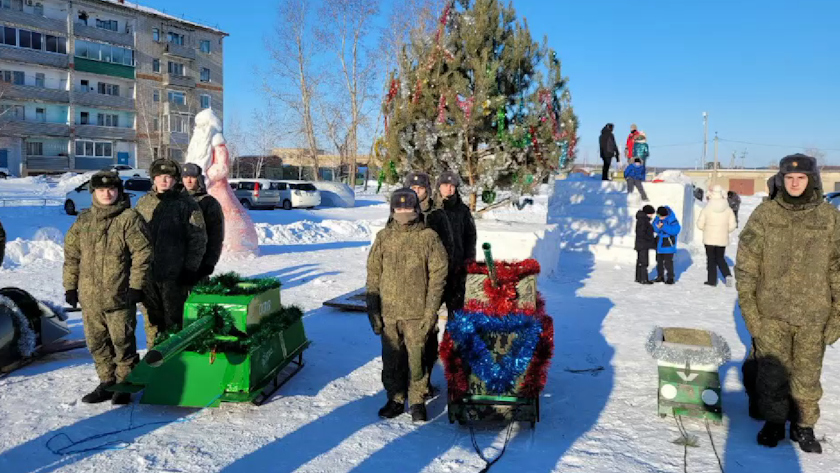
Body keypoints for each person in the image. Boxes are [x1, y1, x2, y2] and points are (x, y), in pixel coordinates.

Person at [735, 153, 840, 453]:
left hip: (814, 315)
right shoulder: (766, 215)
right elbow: (746, 267)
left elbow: (838, 269)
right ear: (781, 180)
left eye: (801, 178)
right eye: (789, 178)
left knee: (807, 374)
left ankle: (803, 426)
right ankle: (774, 422)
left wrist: (837, 317)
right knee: (772, 375)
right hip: (771, 314)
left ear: (812, 180)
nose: (795, 183)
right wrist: (752, 315)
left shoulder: (829, 217)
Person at [63, 171, 152, 404]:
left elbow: (143, 254)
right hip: (90, 298)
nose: (107, 194)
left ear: (119, 191)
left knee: (122, 342)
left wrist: (136, 286)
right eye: (101, 190)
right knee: (97, 343)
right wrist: (70, 287)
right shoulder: (84, 220)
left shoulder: (129, 218)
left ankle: (125, 384)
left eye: (111, 189)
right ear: (94, 192)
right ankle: (106, 382)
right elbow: (72, 256)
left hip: (120, 296)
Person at [366, 188, 448, 422]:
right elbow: (373, 274)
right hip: (389, 312)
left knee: (417, 358)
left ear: (416, 209)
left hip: (417, 313)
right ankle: (395, 398)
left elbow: (438, 277)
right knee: (392, 359)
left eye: (408, 207)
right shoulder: (384, 237)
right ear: (392, 210)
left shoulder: (428, 237)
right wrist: (373, 309)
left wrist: (430, 312)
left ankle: (418, 400)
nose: (404, 212)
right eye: (399, 208)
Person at [135, 159, 207, 349]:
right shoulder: (143, 203)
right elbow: (133, 238)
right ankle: (154, 361)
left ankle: (175, 362)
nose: (164, 181)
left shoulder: (187, 204)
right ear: (154, 179)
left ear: (176, 180)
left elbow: (198, 239)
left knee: (174, 321)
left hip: (174, 276)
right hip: (148, 275)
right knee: (151, 322)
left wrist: (190, 269)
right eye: (159, 177)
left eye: (168, 177)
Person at [404, 171, 454, 398]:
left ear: (427, 190)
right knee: (405, 336)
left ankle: (424, 382)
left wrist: (440, 282)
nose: (416, 192)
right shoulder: (399, 210)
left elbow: (447, 250)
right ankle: (409, 382)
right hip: (405, 285)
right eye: (412, 188)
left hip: (429, 284)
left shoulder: (436, 215)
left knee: (428, 333)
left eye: (420, 189)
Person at [435, 171, 476, 319]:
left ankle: (452, 341)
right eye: (445, 185)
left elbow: (470, 237)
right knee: (429, 314)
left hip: (456, 269)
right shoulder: (432, 209)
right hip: (434, 271)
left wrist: (468, 262)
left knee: (457, 314)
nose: (449, 189)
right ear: (439, 186)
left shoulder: (462, 210)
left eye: (452, 186)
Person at [182, 163, 225, 280]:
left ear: (199, 179)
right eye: (185, 177)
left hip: (199, 261)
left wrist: (210, 262)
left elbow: (216, 235)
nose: (188, 181)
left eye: (192, 177)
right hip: (175, 262)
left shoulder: (209, 203)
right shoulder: (175, 201)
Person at [697, 186, 737, 287]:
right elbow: (733, 225)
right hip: (722, 238)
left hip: (709, 238)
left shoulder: (707, 208)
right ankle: (727, 275)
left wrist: (706, 228)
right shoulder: (728, 209)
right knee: (720, 258)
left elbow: (700, 224)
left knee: (711, 259)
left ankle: (712, 281)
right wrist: (725, 230)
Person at [653, 206, 680, 284]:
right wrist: (657, 227)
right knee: (659, 261)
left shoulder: (673, 220)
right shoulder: (657, 218)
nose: (660, 218)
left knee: (668, 262)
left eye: (662, 216)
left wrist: (664, 227)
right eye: (659, 216)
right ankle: (660, 276)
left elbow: (675, 230)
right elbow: (654, 227)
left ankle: (670, 277)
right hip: (659, 244)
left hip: (668, 244)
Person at [634, 205, 656, 284]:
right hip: (643, 244)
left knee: (640, 261)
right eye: (651, 214)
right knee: (644, 262)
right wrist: (650, 239)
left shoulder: (642, 220)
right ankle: (643, 279)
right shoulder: (643, 221)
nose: (652, 216)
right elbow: (642, 233)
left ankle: (639, 277)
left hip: (641, 244)